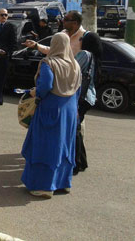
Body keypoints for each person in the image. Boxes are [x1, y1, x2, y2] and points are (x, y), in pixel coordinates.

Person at [21, 32, 81, 198]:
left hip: (51, 109)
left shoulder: (49, 63)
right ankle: (63, 183)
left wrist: (36, 93)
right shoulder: (74, 64)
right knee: (64, 146)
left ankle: (44, 186)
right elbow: (78, 89)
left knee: (45, 145)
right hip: (69, 110)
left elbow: (45, 85)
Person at [73, 31, 102, 175]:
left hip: (80, 98)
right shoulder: (96, 56)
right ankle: (82, 162)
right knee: (76, 130)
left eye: (81, 39)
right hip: (89, 97)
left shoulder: (84, 54)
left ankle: (76, 164)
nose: (79, 41)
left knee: (74, 132)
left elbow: (71, 71)